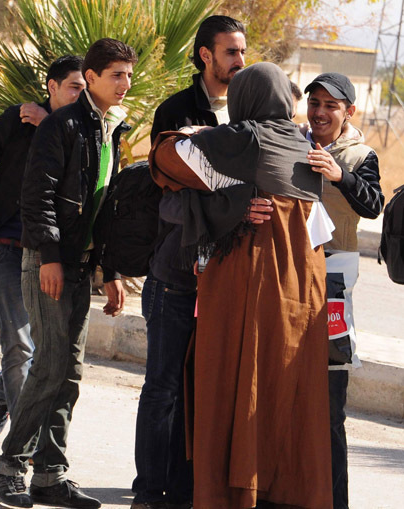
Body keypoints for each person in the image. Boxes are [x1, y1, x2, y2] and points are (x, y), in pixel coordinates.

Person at [150, 62, 333, 508]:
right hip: (303, 289)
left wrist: (192, 135)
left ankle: (232, 493)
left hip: (248, 279)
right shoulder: (303, 143)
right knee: (285, 392)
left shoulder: (242, 138)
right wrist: (231, 199)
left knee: (232, 382)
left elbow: (164, 159)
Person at [0, 38, 137, 509]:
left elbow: (106, 209)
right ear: (91, 77)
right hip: (49, 261)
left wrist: (110, 271)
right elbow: (37, 197)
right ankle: (12, 466)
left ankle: (50, 476)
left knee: (69, 372)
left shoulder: (110, 129)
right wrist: (49, 256)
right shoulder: (63, 125)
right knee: (50, 363)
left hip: (82, 265)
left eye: (128, 75)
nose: (125, 83)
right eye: (116, 74)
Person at [131, 16, 249, 509]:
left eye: (243, 52)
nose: (240, 61)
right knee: (162, 388)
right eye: (230, 52)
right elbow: (176, 179)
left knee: (203, 392)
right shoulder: (176, 109)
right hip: (175, 275)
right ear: (205, 55)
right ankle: (148, 491)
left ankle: (186, 490)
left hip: (225, 282)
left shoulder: (249, 113)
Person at [0, 55, 86, 438]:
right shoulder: (19, 119)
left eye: (84, 89)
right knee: (20, 345)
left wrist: (53, 128)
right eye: (73, 87)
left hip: (58, 255)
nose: (80, 95)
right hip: (9, 248)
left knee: (47, 351)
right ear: (52, 87)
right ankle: (23, 447)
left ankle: (2, 390)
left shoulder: (86, 129)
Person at [302, 73, 384, 509]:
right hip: (287, 282)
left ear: (348, 112)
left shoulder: (360, 154)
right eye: (314, 103)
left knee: (330, 408)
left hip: (332, 288)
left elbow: (373, 204)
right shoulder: (292, 140)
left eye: (330, 106)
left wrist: (339, 176)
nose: (319, 113)